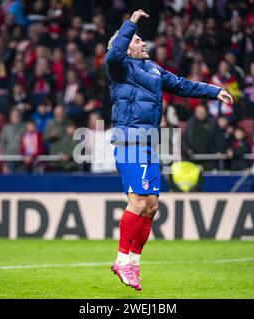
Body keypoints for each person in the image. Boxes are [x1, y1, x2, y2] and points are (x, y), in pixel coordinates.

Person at [106, 10, 233, 291]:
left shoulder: (154, 70)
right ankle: (121, 260)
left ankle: (134, 264)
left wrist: (214, 91)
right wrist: (132, 22)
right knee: (137, 203)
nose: (144, 44)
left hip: (149, 144)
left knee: (151, 207)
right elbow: (113, 53)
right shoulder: (120, 67)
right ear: (126, 44)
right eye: (138, 40)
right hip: (129, 143)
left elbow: (182, 85)